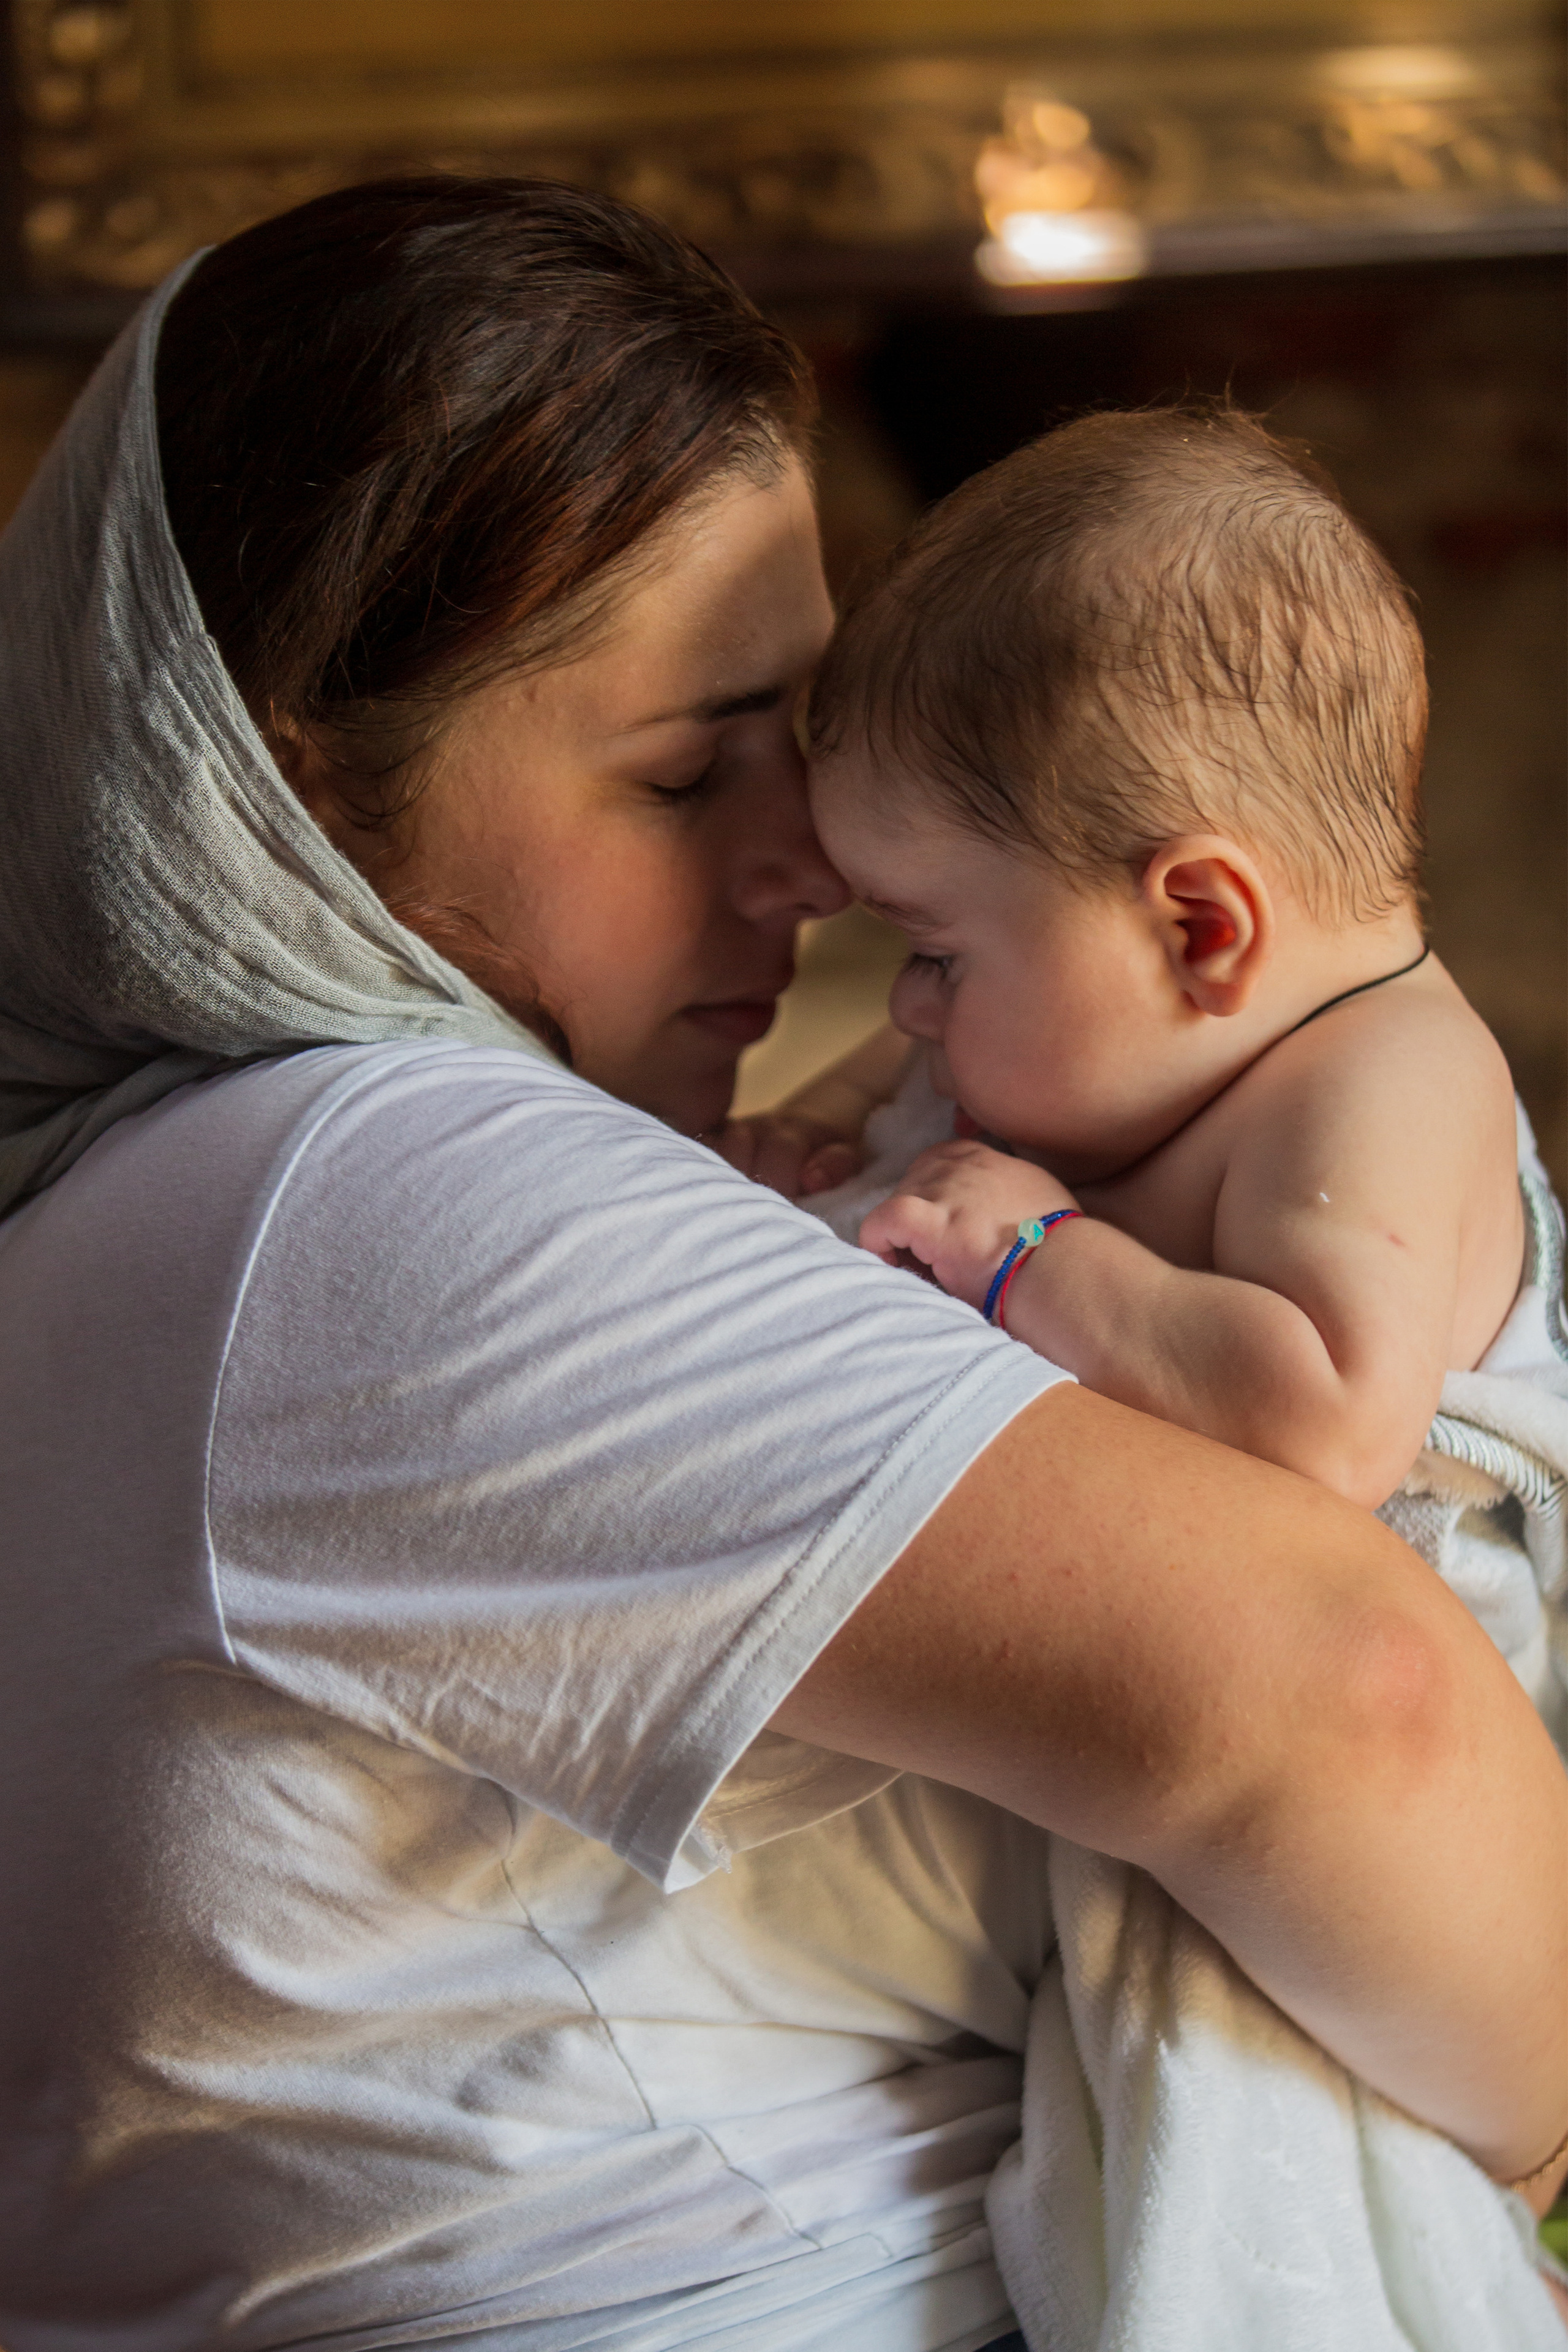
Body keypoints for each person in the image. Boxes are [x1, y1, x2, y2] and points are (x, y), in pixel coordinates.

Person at [0, 178, 1562, 2352]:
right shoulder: (376, 1182)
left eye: (800, 738)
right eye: (680, 773)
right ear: (316, 809)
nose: (812, 868)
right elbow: (1356, 1705)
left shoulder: (159, 1218)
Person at [798, 408, 1523, 1509]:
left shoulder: (1388, 1088)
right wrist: (810, 1130)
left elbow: (1334, 1432)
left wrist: (1034, 1253)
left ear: (1199, 929)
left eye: (935, 955)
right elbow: (896, 1068)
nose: (907, 1008)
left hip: (1351, 1637)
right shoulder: (1113, 1027)